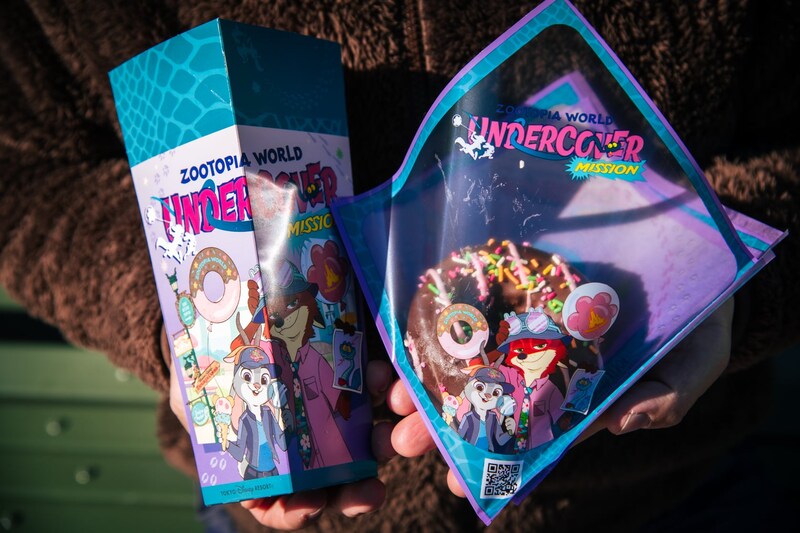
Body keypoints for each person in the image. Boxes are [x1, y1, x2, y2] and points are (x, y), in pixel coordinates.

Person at [1, 1, 798, 531]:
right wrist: (175, 318)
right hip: (295, 501)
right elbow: (20, 174)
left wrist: (723, 287)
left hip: (659, 497)